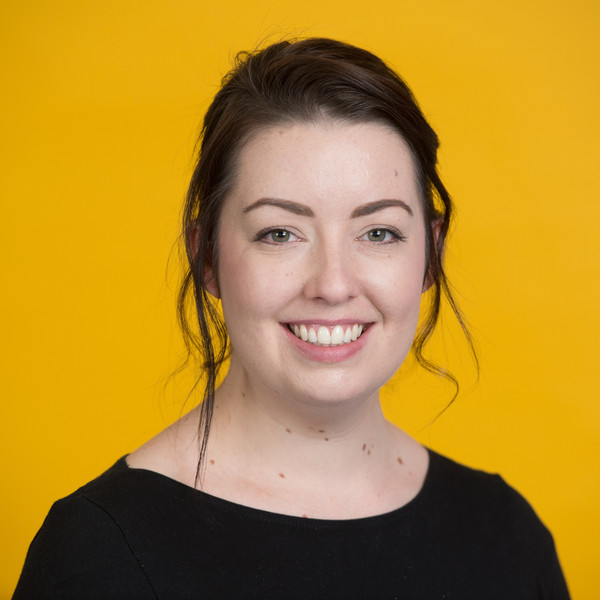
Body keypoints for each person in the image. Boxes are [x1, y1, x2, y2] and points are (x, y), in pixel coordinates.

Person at [13, 38, 570, 599]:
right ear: (207, 257)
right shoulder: (96, 554)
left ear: (431, 255)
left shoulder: (506, 537)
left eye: (378, 232)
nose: (332, 284)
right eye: (280, 233)